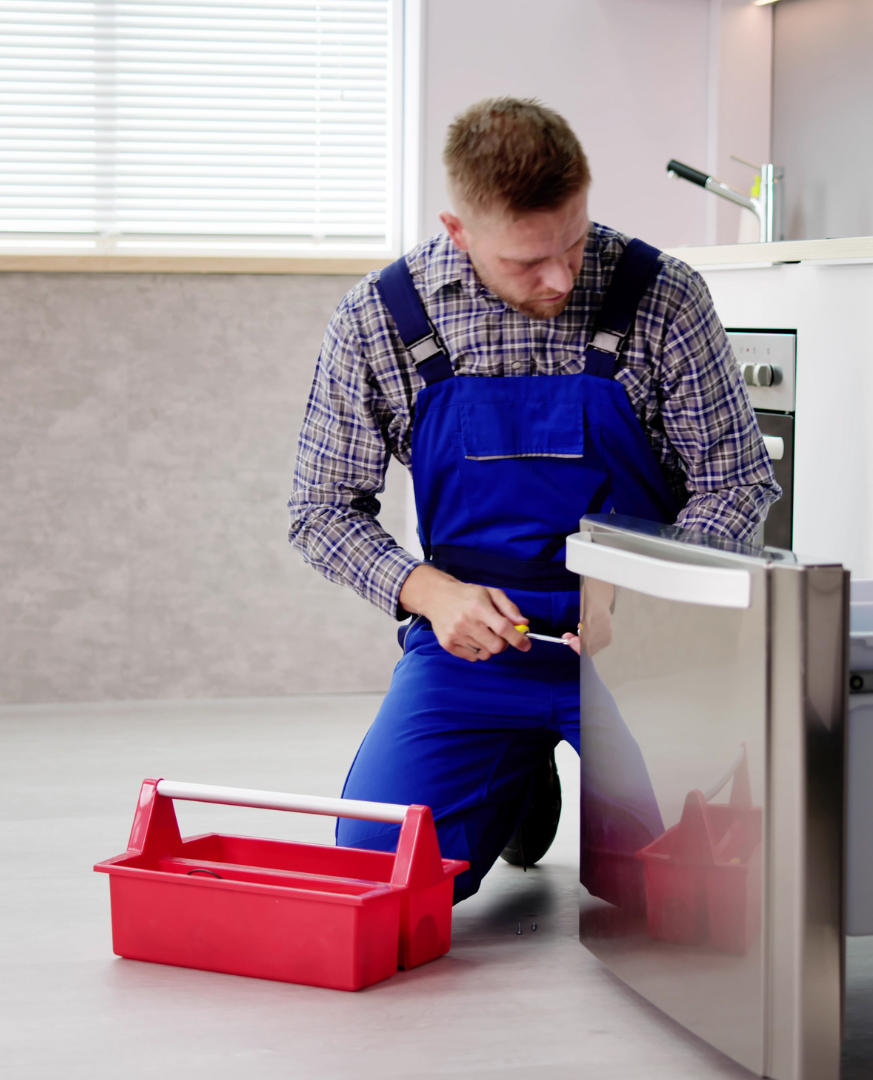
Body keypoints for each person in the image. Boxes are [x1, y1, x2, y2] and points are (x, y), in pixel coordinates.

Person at [287, 97, 779, 902]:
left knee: (697, 888)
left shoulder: (664, 296)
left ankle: (540, 763)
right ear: (460, 232)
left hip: (637, 652)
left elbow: (735, 480)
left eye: (575, 243)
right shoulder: (382, 318)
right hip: (472, 651)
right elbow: (320, 509)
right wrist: (429, 593)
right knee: (379, 875)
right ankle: (516, 774)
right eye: (527, 262)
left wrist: (649, 600)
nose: (561, 278)